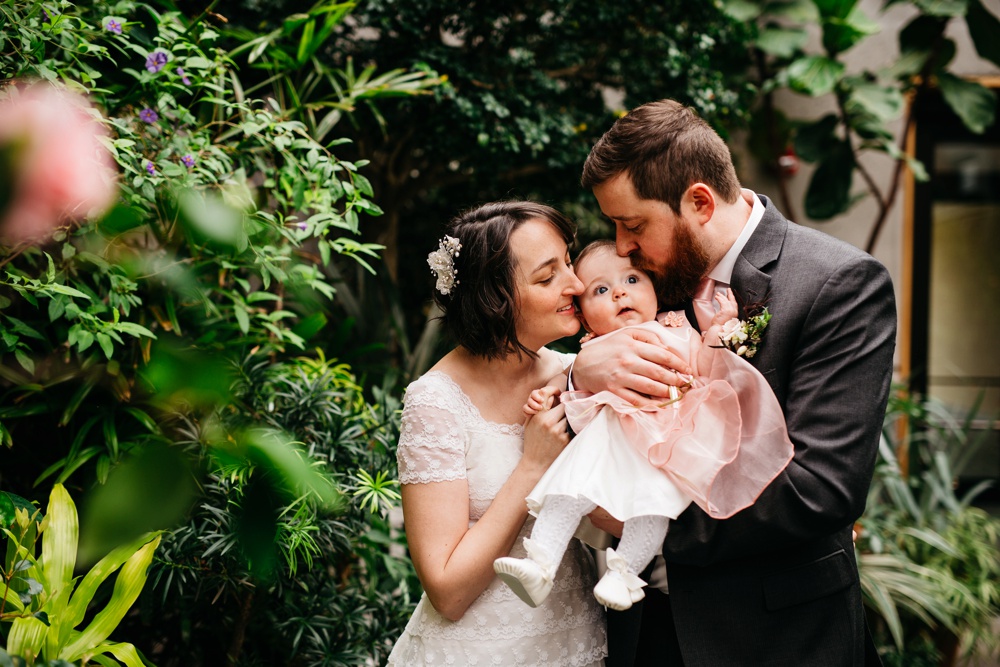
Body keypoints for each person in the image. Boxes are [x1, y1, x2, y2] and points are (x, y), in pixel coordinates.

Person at [572, 99, 896, 666]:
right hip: (641, 634)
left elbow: (821, 488)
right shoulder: (647, 277)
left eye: (633, 225)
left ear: (699, 202)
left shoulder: (838, 283)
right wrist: (582, 368)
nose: (621, 248)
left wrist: (647, 525)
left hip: (773, 639)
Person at [493, 240, 794, 613]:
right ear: (584, 318)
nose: (619, 293)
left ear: (654, 288)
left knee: (652, 506)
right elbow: (571, 375)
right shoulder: (594, 348)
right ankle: (540, 563)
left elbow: (706, 366)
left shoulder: (676, 328)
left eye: (632, 280)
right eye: (601, 290)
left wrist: (717, 329)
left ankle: (625, 575)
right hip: (607, 444)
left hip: (663, 442)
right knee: (568, 491)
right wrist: (550, 392)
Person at [386, 201, 608, 667]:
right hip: (476, 653)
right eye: (547, 278)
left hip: (580, 644)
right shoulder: (435, 402)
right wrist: (532, 465)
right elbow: (447, 591)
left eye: (568, 263)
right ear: (495, 300)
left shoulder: (577, 374)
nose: (576, 285)